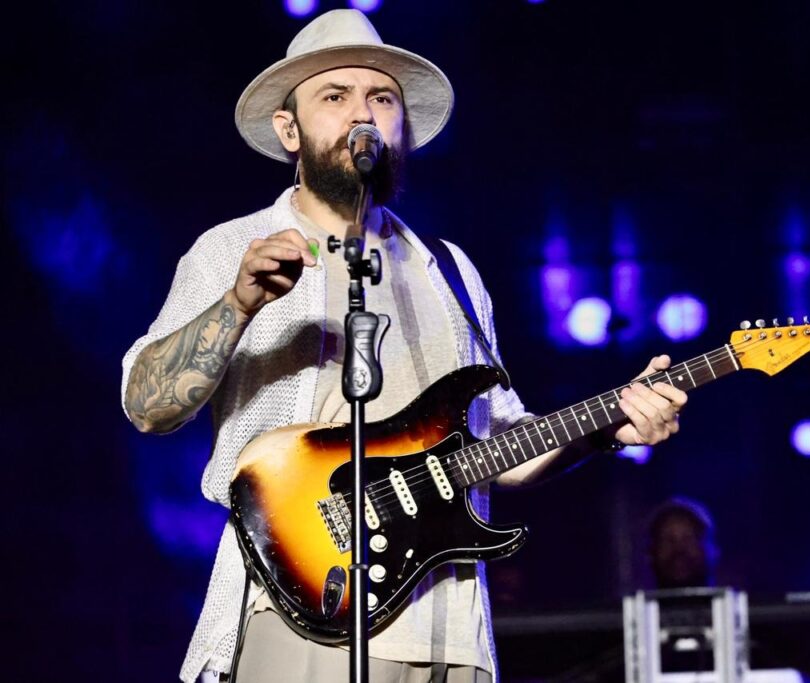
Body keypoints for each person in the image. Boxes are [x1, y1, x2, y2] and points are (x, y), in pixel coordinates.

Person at [121, 10, 687, 683]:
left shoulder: (451, 272)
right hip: (301, 608)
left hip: (450, 631)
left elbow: (498, 447)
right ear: (289, 130)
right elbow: (147, 404)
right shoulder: (229, 251)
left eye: (381, 98)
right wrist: (238, 303)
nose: (362, 113)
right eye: (335, 96)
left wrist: (606, 427)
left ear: (401, 130)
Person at [647, 497, 719, 589]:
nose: (679, 549)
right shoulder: (632, 603)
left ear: (712, 552)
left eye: (688, 539)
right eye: (668, 540)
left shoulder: (735, 603)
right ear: (651, 552)